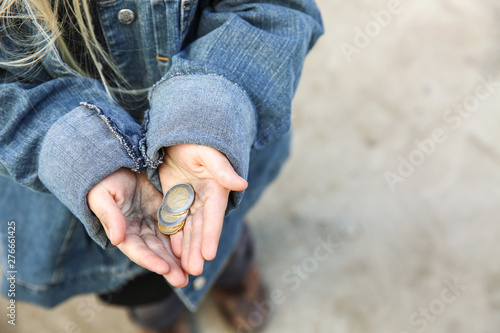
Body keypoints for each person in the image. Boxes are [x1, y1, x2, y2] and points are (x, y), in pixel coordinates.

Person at [0, 0, 323, 332]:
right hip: (66, 203)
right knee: (136, 286)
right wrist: (84, 157)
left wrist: (206, 114)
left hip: (217, 155)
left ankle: (234, 275)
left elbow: (272, 11)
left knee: (221, 231)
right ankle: (162, 321)